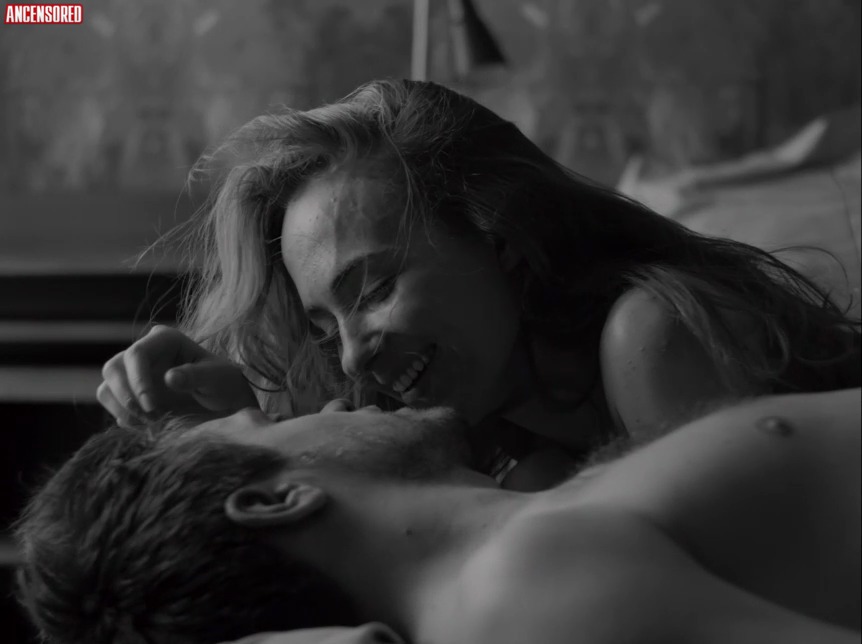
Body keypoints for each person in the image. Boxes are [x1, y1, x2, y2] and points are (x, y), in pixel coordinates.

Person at [99, 79, 860, 486]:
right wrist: (230, 425)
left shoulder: (653, 334)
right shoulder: (489, 428)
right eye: (326, 329)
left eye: (374, 290)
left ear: (500, 236)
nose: (354, 357)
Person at [17, 389, 861, 644]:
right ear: (277, 499)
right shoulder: (520, 597)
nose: (323, 399)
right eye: (269, 421)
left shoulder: (525, 541)